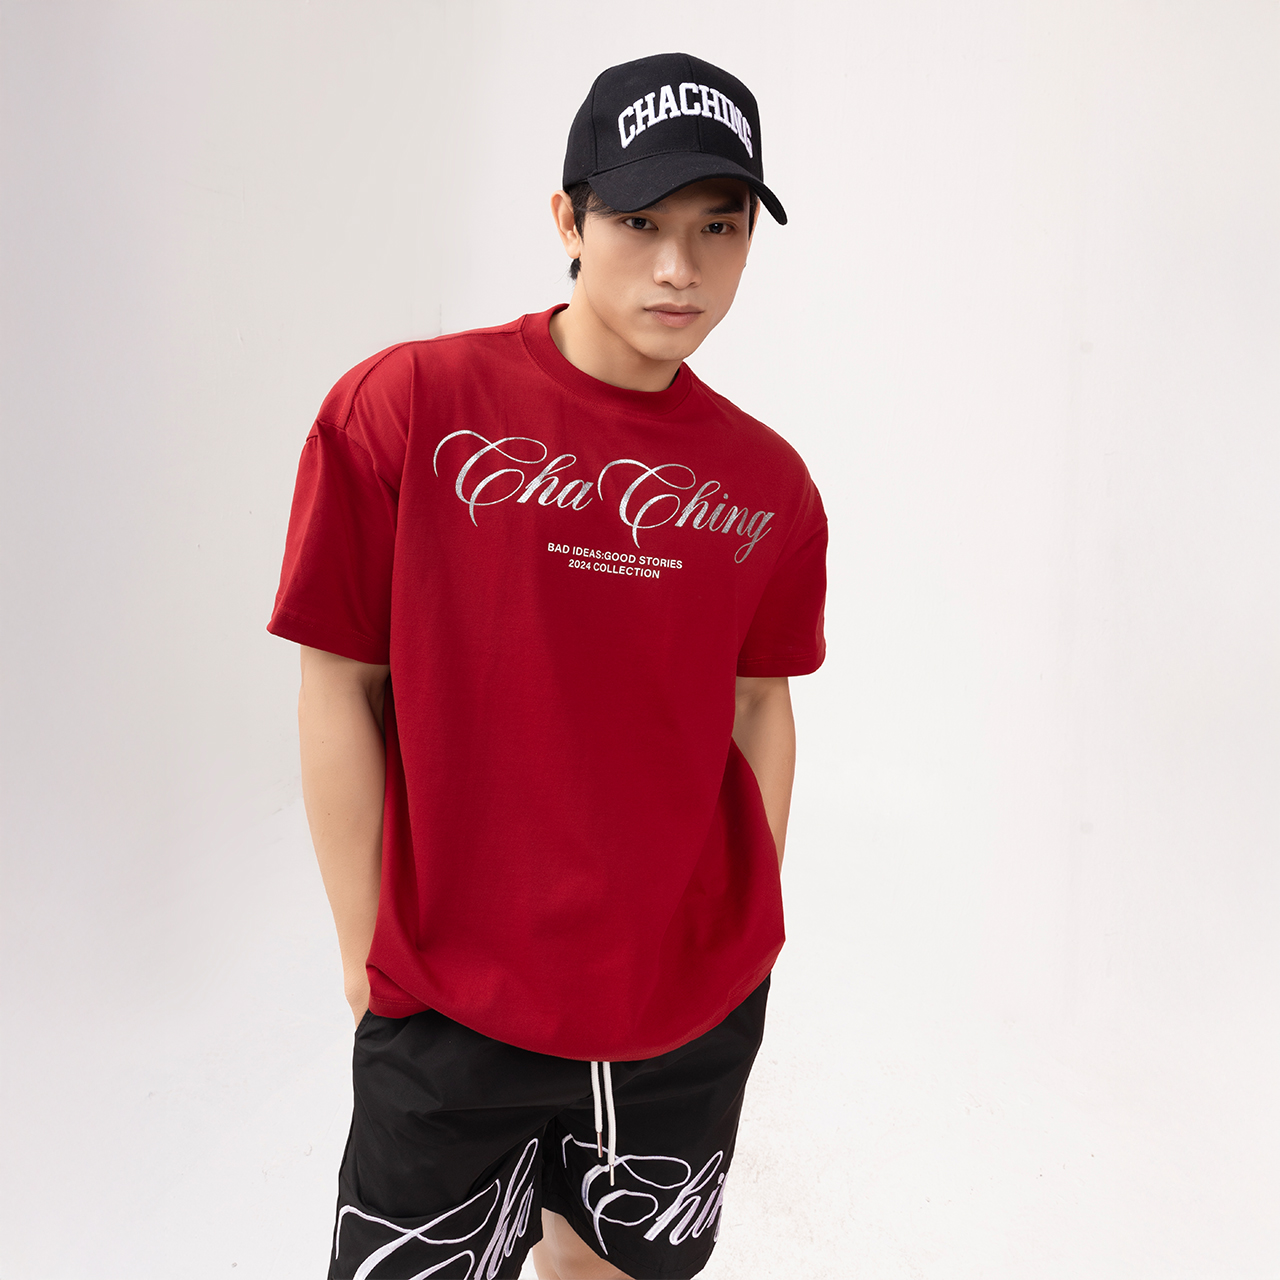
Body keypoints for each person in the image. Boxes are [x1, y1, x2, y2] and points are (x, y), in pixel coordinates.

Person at [268, 51, 827, 1280]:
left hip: (682, 1013)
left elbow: (758, 701)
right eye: (640, 223)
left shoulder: (767, 485)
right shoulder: (407, 408)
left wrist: (740, 929)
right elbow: (339, 680)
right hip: (451, 999)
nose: (679, 267)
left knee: (607, 1269)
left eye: (717, 227)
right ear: (568, 220)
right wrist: (367, 960)